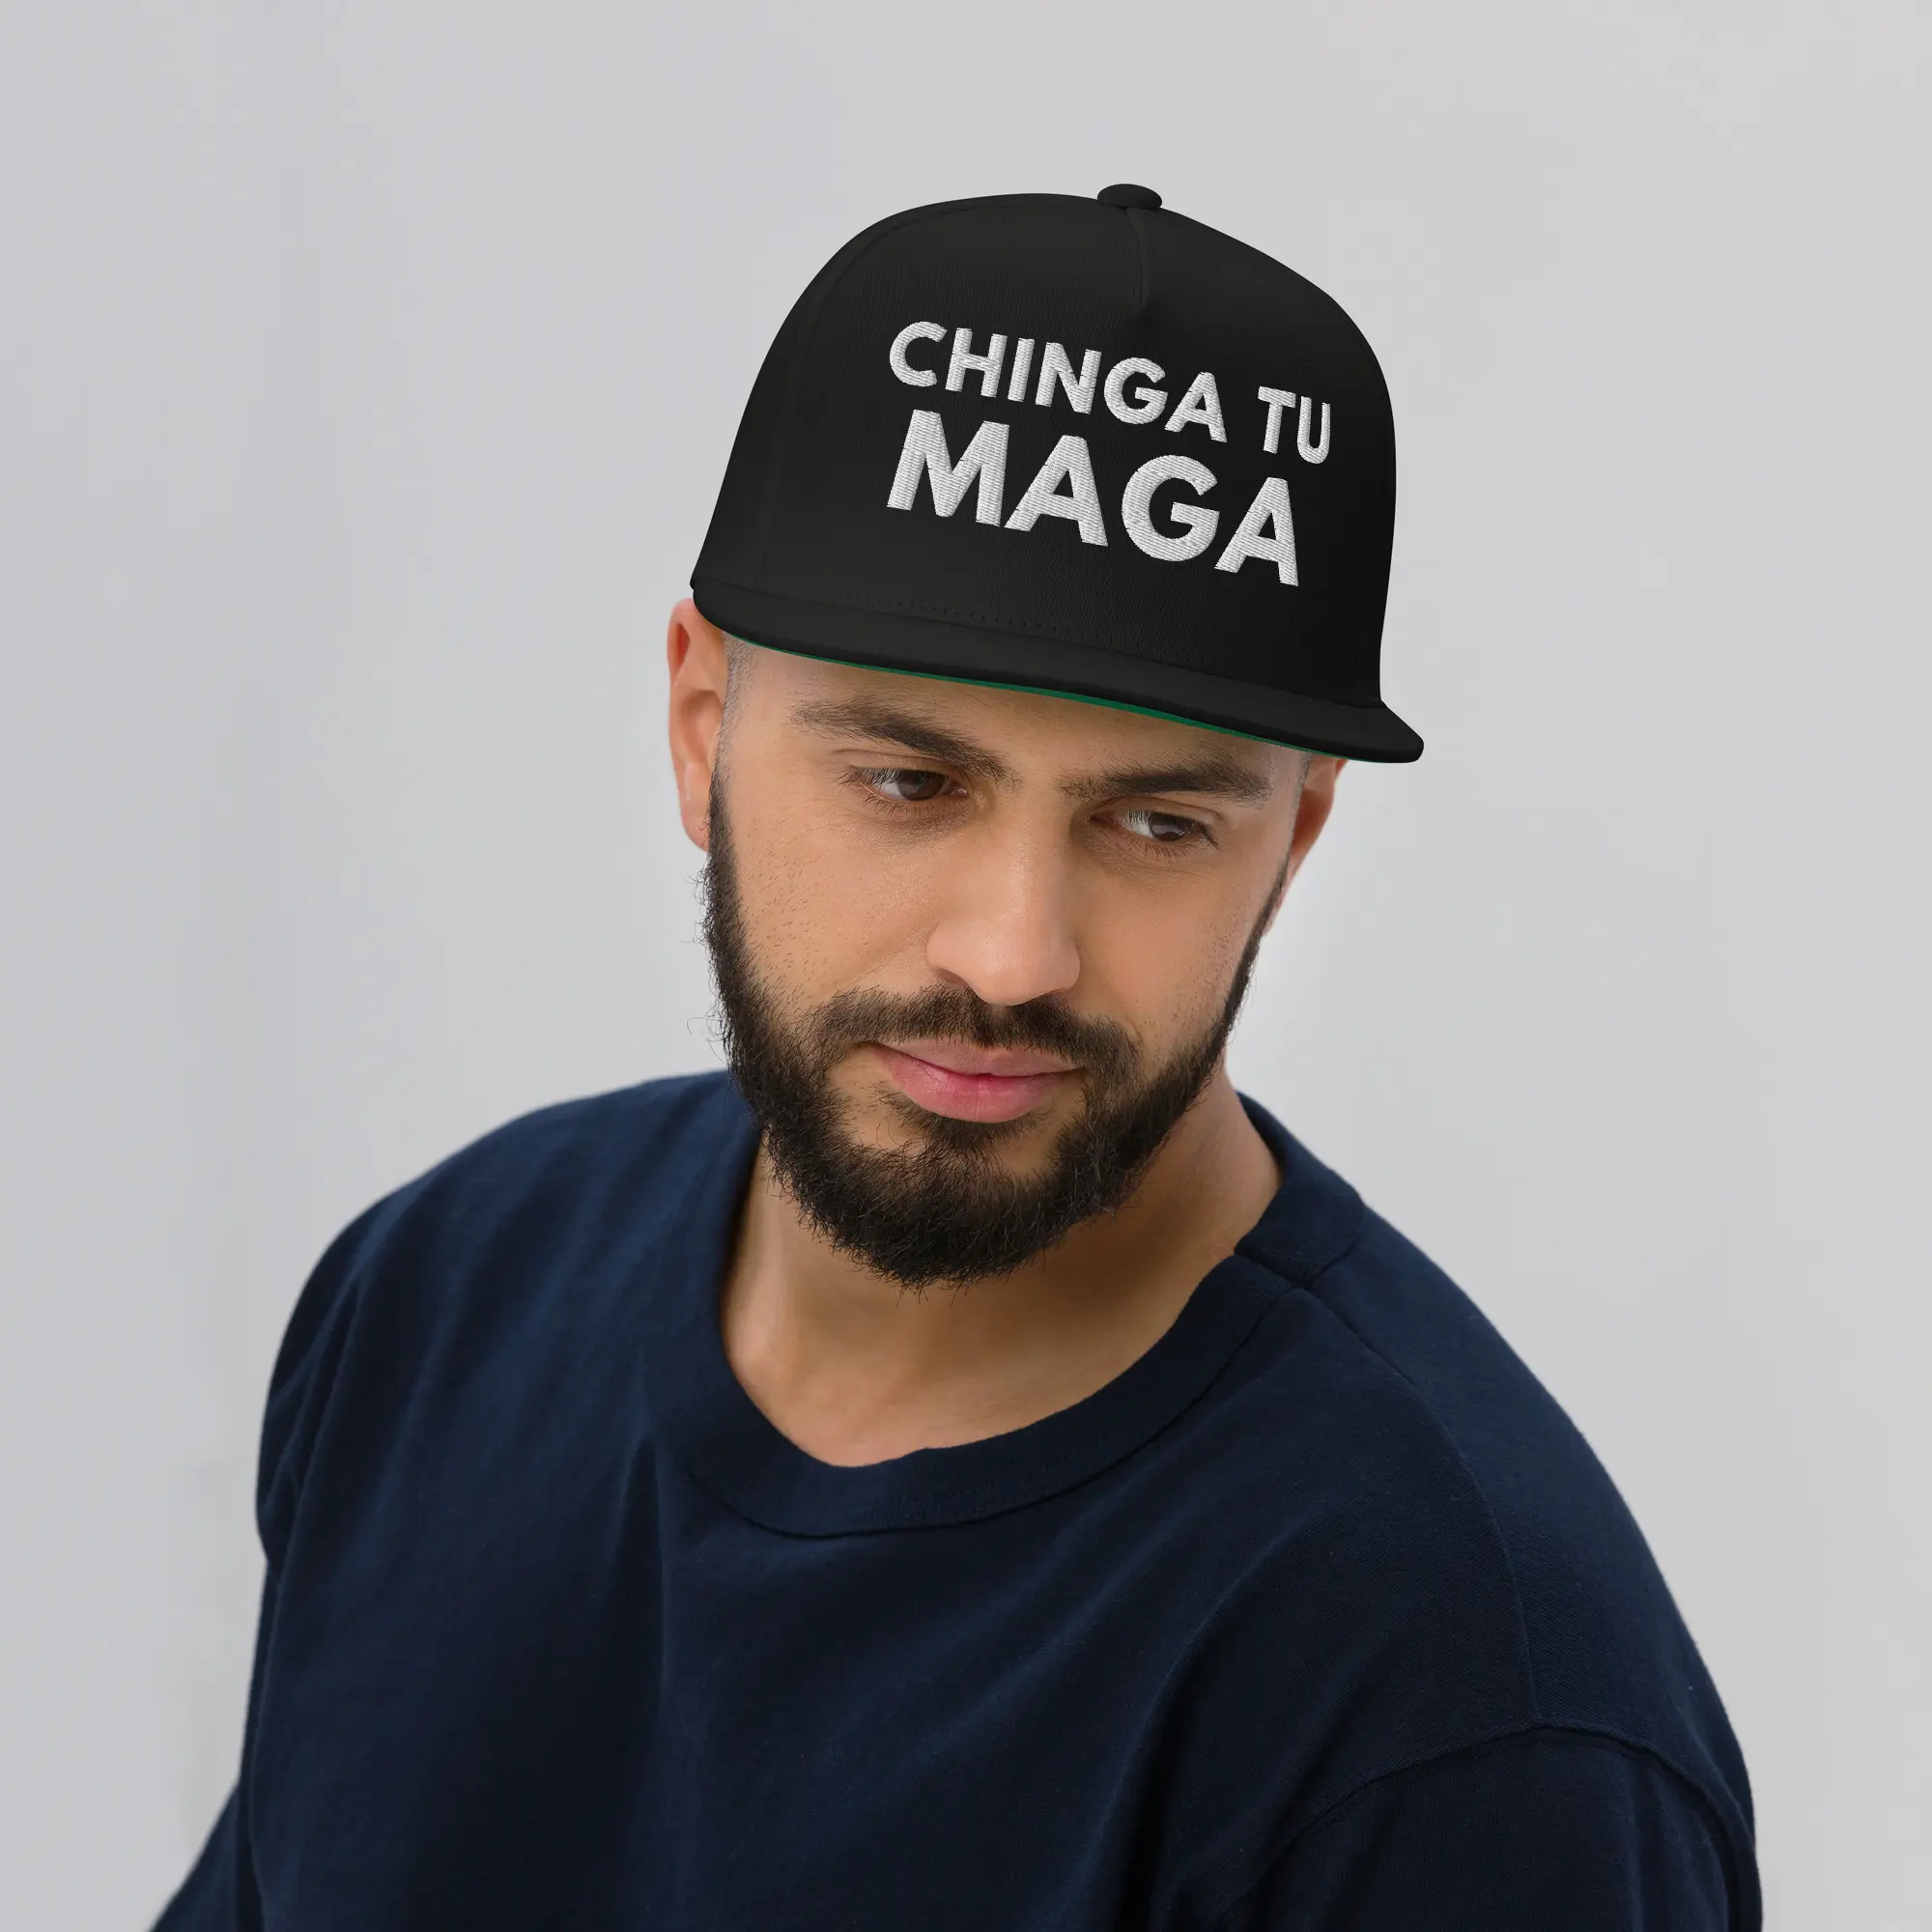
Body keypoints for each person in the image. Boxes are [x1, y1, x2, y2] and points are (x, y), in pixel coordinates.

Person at [157, 186, 1757, 1930]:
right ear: (702, 727)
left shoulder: (1466, 1713)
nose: (1012, 955)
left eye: (1156, 823)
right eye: (910, 784)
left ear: (1293, 839)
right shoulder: (440, 1306)